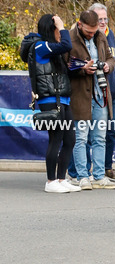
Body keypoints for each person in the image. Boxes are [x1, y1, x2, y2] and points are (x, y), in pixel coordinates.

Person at [24, 14, 79, 193]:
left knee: (70, 139)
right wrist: (62, 26)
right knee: (55, 139)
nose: (61, 32)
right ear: (52, 29)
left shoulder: (52, 50)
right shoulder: (40, 46)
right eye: (59, 29)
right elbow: (66, 44)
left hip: (63, 99)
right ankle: (50, 181)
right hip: (49, 100)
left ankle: (61, 179)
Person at [68, 9, 115, 189]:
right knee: (80, 138)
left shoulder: (100, 36)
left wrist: (107, 66)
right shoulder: (69, 38)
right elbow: (63, 65)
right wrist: (83, 70)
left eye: (94, 30)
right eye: (89, 31)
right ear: (79, 24)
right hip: (80, 95)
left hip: (100, 95)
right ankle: (82, 176)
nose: (92, 34)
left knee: (100, 137)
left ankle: (98, 176)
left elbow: (111, 59)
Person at [91, 3, 115, 183]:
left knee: (111, 131)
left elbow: (111, 61)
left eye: (105, 18)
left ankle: (107, 168)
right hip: (95, 92)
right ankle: (87, 170)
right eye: (99, 19)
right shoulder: (88, 36)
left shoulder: (109, 33)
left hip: (112, 90)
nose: (103, 22)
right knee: (91, 133)